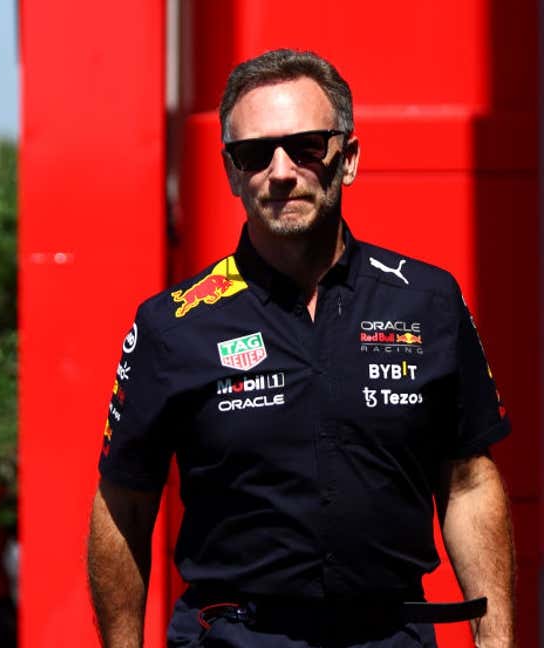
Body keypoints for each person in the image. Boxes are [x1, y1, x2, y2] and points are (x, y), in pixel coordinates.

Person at [87, 49, 514, 648]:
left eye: (307, 146)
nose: (281, 171)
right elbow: (122, 507)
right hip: (237, 637)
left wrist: (495, 641)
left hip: (393, 633)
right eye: (255, 154)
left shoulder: (428, 300)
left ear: (349, 158)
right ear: (234, 173)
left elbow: (470, 483)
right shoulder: (172, 326)